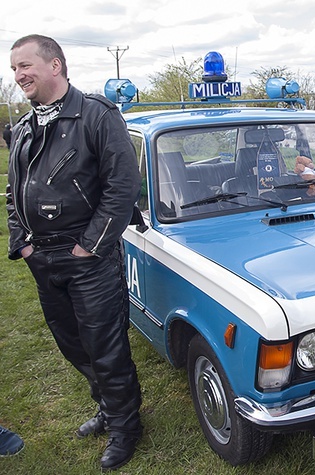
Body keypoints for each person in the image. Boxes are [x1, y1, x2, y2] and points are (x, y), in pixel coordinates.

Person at [6, 35, 143, 471]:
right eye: (13, 69)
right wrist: (22, 243)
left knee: (105, 346)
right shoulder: (27, 127)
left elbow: (123, 187)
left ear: (56, 65)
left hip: (89, 258)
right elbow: (14, 193)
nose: (18, 75)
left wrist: (89, 246)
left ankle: (126, 426)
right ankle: (106, 406)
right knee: (71, 344)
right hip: (42, 259)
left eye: (25, 65)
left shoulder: (96, 116)